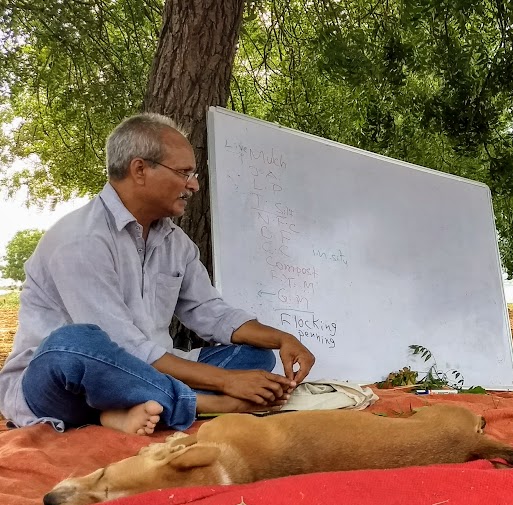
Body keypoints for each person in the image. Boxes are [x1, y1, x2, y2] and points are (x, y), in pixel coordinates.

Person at [0, 113, 315, 436]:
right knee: (75, 343)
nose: (193, 185)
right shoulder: (79, 240)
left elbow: (210, 312)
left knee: (254, 358)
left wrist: (281, 339)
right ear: (139, 170)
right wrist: (225, 383)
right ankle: (201, 403)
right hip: (61, 384)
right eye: (183, 173)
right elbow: (120, 345)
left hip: (146, 372)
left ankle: (118, 411)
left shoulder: (176, 243)